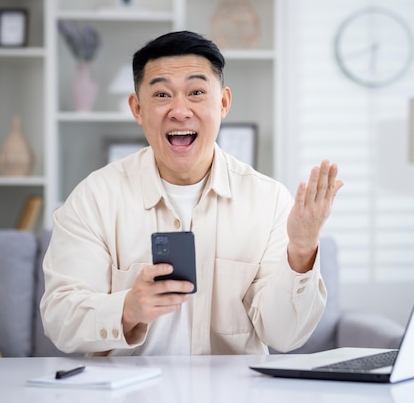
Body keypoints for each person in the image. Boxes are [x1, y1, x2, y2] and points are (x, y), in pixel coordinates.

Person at [40, 30, 343, 356]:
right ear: (137, 108)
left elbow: (284, 336)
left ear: (223, 102)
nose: (180, 110)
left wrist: (301, 251)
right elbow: (59, 317)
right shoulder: (95, 198)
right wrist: (127, 308)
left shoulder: (269, 201)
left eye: (196, 92)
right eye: (161, 96)